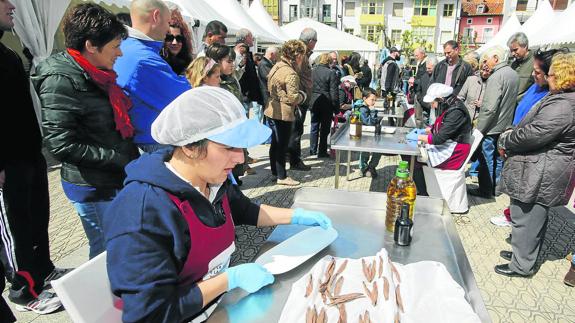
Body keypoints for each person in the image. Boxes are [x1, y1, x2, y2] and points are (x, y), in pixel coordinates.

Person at [103, 87, 333, 322]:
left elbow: (245, 210)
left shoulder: (210, 179)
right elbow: (149, 313)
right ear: (190, 147)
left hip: (220, 303)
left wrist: (297, 216)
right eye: (228, 147)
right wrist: (229, 280)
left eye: (240, 146)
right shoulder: (142, 213)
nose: (241, 158)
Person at [33, 2, 140, 260]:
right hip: (93, 186)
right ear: (91, 46)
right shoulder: (61, 79)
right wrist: (117, 158)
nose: (120, 54)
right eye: (115, 46)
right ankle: (105, 299)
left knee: (122, 246)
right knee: (107, 252)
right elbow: (60, 144)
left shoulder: (98, 73)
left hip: (113, 178)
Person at [0, 0, 64, 314]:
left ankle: (42, 270)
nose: (12, 5)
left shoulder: (7, 53)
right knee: (15, 229)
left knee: (36, 219)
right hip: (6, 165)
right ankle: (23, 290)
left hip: (28, 154)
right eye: (3, 1)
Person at [495, 52, 575, 278]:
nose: (546, 79)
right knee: (528, 217)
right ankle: (523, 255)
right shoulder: (563, 99)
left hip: (541, 171)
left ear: (561, 76)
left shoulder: (563, 105)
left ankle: (522, 266)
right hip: (540, 168)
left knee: (527, 218)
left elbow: (534, 134)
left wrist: (506, 138)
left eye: (549, 75)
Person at [489, 49, 557, 228]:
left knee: (524, 195)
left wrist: (510, 140)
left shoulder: (551, 97)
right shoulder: (535, 87)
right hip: (515, 140)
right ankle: (512, 217)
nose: (534, 75)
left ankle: (518, 227)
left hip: (529, 151)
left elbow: (535, 131)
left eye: (538, 72)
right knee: (516, 190)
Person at [114, 0, 191, 153]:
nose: (168, 30)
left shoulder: (125, 46)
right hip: (152, 142)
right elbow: (184, 98)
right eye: (168, 22)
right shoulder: (143, 58)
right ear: (156, 16)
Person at [471, 46, 519, 198]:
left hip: (491, 126)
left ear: (496, 59)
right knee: (498, 159)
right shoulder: (513, 74)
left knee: (486, 159)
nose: (485, 63)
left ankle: (486, 189)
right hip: (505, 124)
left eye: (487, 60)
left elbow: (489, 108)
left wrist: (480, 128)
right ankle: (496, 188)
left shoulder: (496, 76)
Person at [205, 43, 251, 184]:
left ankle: (234, 181)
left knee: (235, 162)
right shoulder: (213, 83)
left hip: (236, 125)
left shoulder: (231, 77)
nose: (233, 65)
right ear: (217, 62)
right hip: (224, 130)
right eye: (229, 61)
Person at [264, 40, 307, 186]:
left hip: (271, 108)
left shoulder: (277, 65)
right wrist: (303, 96)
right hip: (283, 112)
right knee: (282, 145)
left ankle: (275, 173)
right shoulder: (290, 72)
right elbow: (293, 97)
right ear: (298, 55)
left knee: (275, 144)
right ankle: (282, 177)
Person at [417, 83, 472, 170]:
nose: (432, 106)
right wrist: (427, 130)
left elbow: (438, 139)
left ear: (440, 99)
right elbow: (443, 126)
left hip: (455, 152)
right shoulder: (448, 105)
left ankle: (423, 182)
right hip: (447, 144)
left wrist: (418, 137)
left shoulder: (456, 111)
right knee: (418, 153)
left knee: (417, 161)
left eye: (432, 103)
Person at [289, 28, 317, 172]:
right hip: (300, 98)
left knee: (296, 130)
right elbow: (295, 75)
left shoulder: (303, 52)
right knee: (296, 131)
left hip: (302, 96)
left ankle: (293, 157)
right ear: (311, 41)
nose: (316, 44)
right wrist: (300, 95)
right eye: (315, 41)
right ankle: (295, 160)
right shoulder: (301, 53)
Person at [309, 53, 338, 158]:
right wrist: (336, 107)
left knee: (314, 125)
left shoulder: (312, 71)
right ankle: (322, 151)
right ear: (329, 61)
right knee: (325, 128)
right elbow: (334, 92)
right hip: (326, 102)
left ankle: (312, 149)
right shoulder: (331, 73)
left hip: (314, 101)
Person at [236, 29, 264, 122]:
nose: (252, 39)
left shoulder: (247, 53)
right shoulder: (238, 54)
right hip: (243, 94)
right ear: (246, 38)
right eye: (251, 37)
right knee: (243, 120)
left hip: (248, 94)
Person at [353, 88, 382, 178]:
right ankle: (364, 168)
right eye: (372, 100)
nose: (373, 102)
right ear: (365, 99)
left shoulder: (367, 106)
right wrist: (373, 111)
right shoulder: (362, 109)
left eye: (375, 100)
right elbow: (369, 122)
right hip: (363, 133)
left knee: (378, 151)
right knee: (365, 152)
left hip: (369, 132)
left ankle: (371, 167)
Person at [160, 7, 192, 75]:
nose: (175, 42)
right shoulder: (158, 62)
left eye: (179, 38)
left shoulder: (189, 66)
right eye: (170, 38)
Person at [507, 32, 535, 102]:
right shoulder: (513, 64)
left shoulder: (536, 63)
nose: (513, 53)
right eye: (511, 51)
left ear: (525, 46)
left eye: (515, 50)